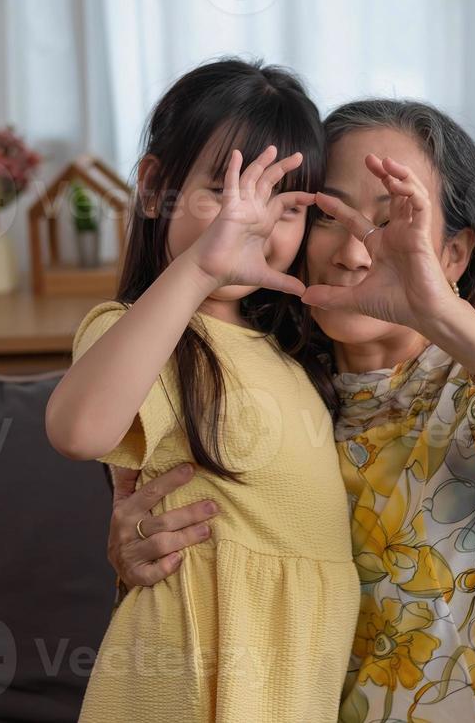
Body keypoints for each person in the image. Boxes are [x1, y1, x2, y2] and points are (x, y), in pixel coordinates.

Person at [107, 98, 475, 722]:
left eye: (394, 221)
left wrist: (442, 315)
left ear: (452, 256)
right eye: (327, 215)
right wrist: (136, 557)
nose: (354, 252)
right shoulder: (258, 396)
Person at [45, 59, 360, 722]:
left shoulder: (294, 356)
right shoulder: (147, 333)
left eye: (288, 206)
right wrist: (202, 263)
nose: (252, 224)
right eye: (225, 193)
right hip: (189, 682)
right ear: (156, 189)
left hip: (290, 685)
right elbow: (78, 431)